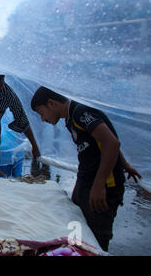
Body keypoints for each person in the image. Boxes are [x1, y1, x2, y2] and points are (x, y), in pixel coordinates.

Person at [30, 86, 141, 252]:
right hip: (86, 180)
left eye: (41, 112)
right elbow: (107, 138)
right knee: (77, 224)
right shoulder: (70, 118)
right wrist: (124, 164)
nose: (42, 119)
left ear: (51, 103)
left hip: (103, 186)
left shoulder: (81, 112)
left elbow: (111, 143)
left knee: (96, 237)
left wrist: (99, 185)